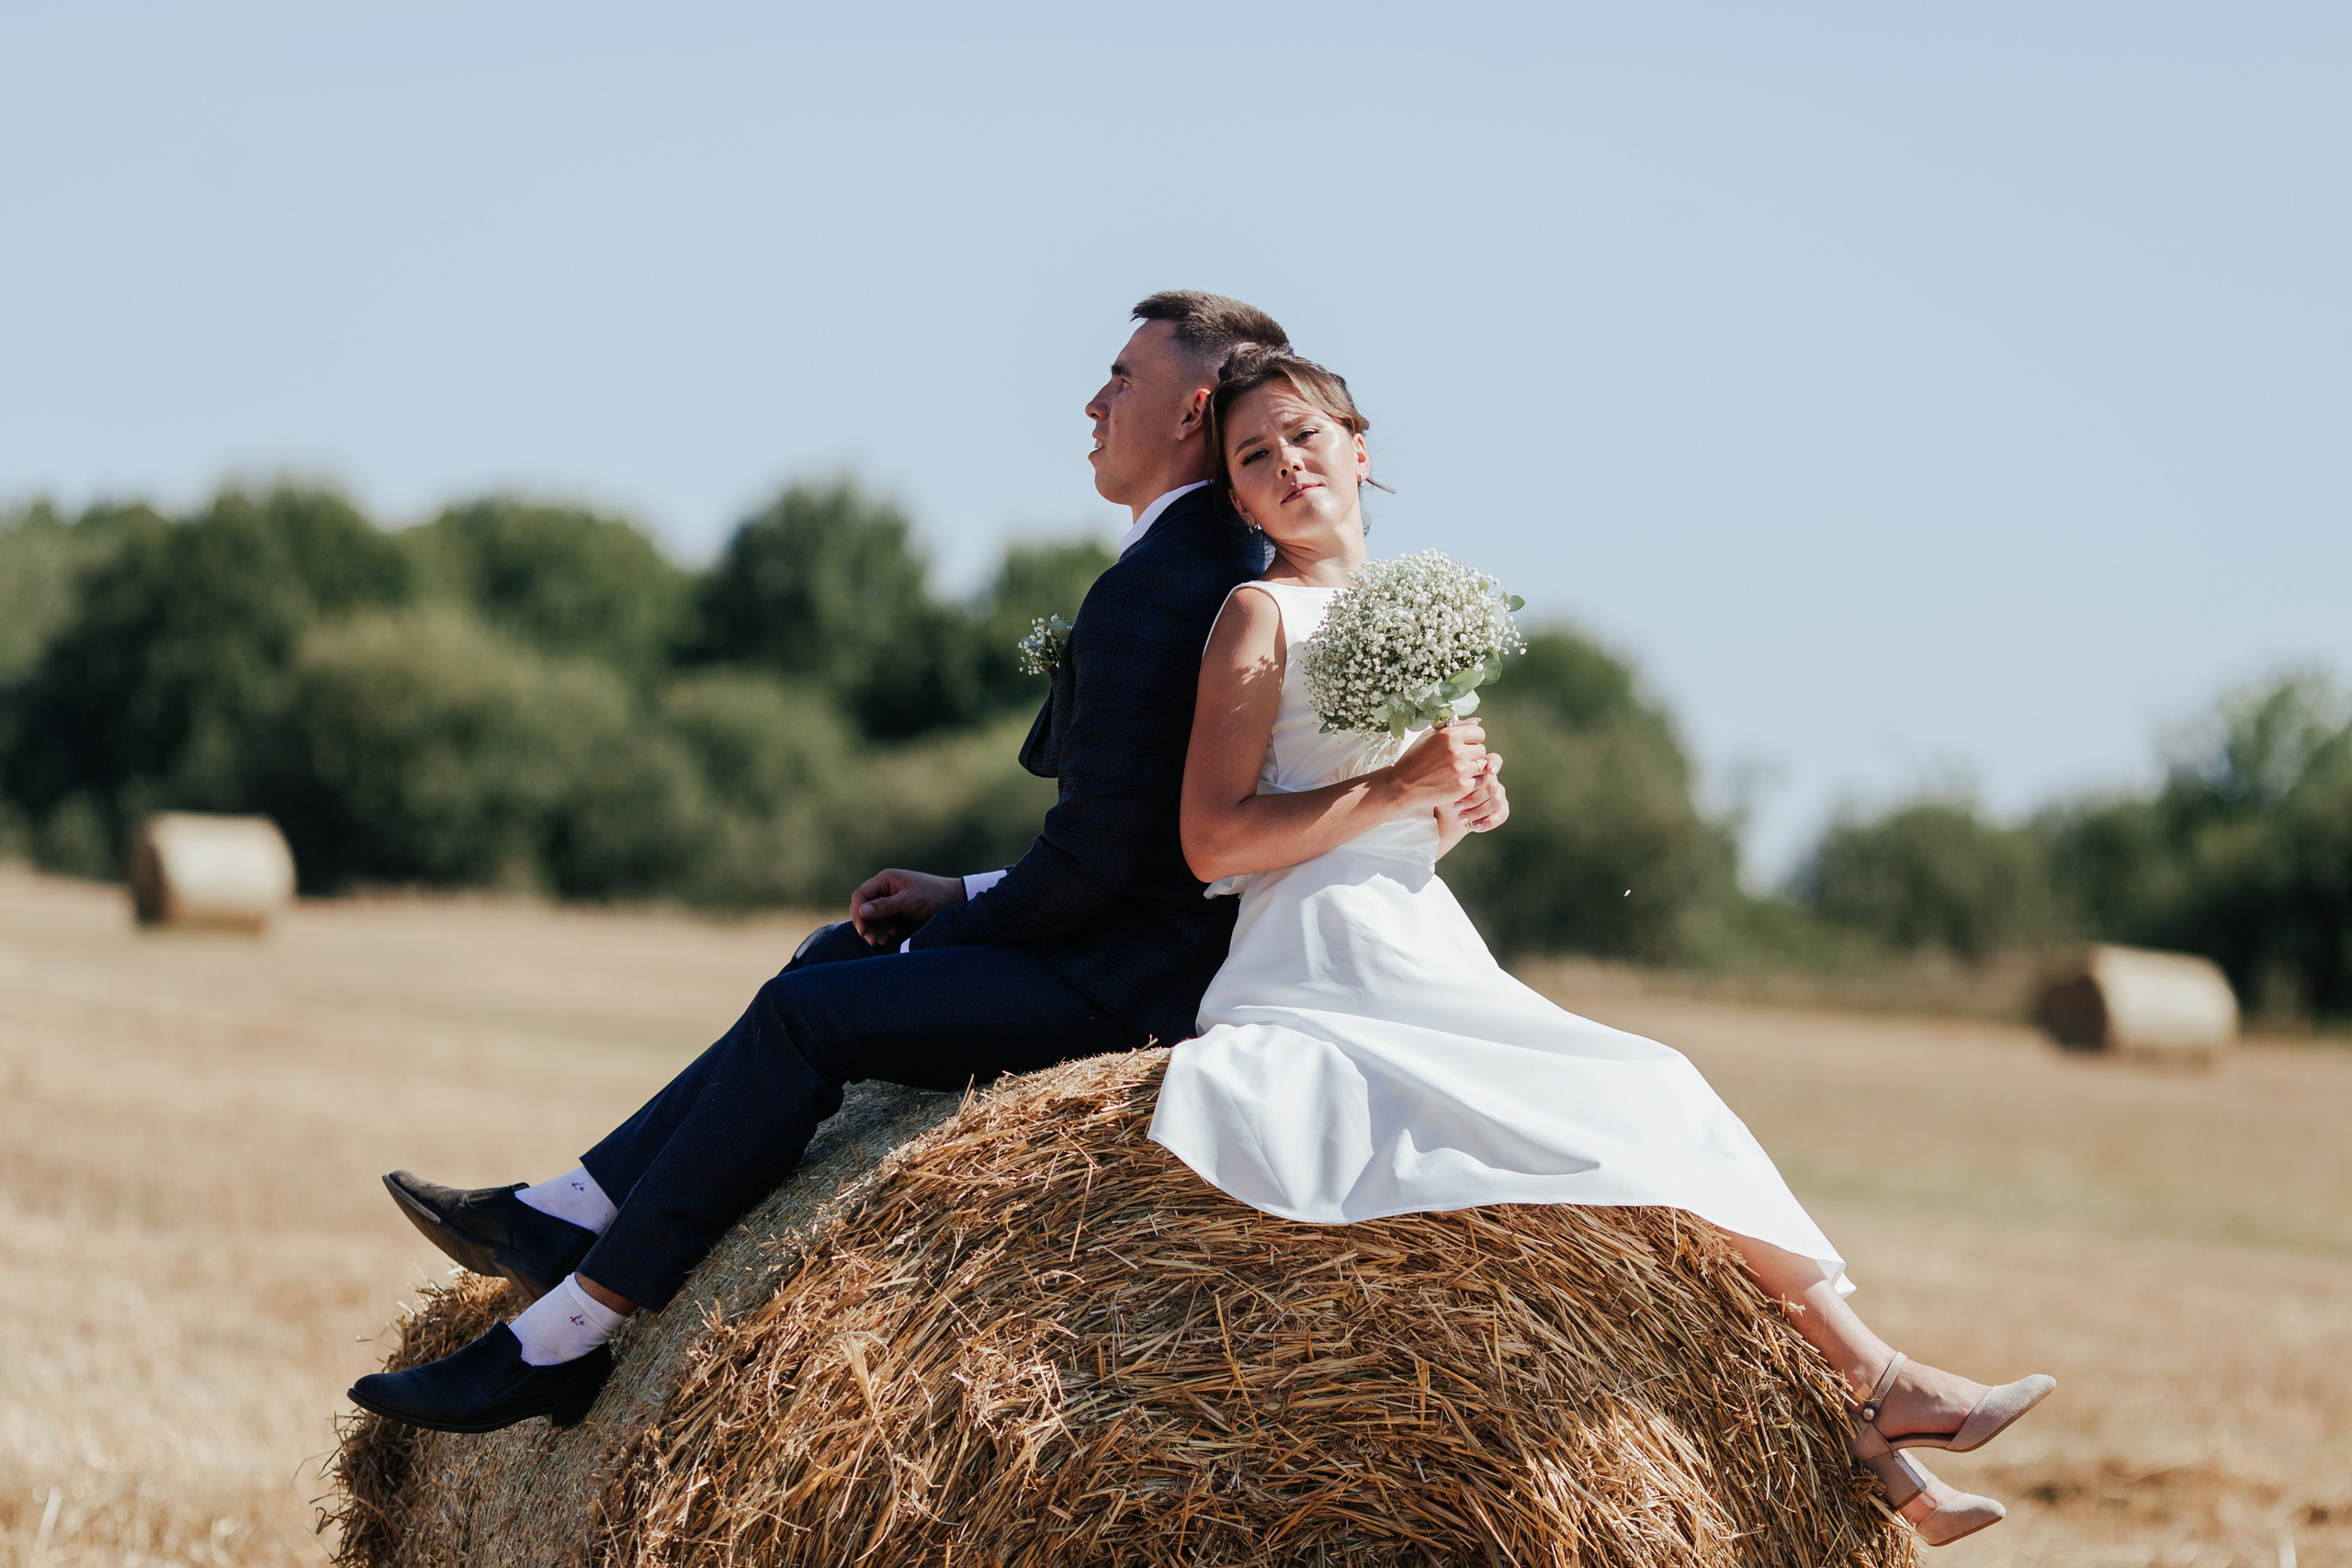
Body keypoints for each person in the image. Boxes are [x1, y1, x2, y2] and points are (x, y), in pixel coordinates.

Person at [347, 290, 1306, 1434]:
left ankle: (562, 1335)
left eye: (1121, 379)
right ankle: (573, 1208)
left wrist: (952, 928)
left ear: (1193, 409)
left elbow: (1099, 867)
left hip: (1125, 981)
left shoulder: (1162, 587)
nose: (1093, 402)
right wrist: (958, 892)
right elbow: (1131, 834)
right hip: (1132, 942)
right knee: (826, 959)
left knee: (813, 1015)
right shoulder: (1206, 560)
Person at [1144, 345, 2053, 1548]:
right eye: (1254, 456)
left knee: (1635, 1139)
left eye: (1304, 436)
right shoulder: (1260, 614)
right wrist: (1400, 782)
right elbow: (1214, 841)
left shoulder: (1406, 612)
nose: (1286, 464)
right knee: (1650, 1092)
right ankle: (1880, 1379)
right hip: (1325, 952)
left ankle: (1878, 1441)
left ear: (1361, 448)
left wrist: (1448, 810)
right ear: (1242, 496)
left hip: (1417, 930)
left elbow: (1381, 814)